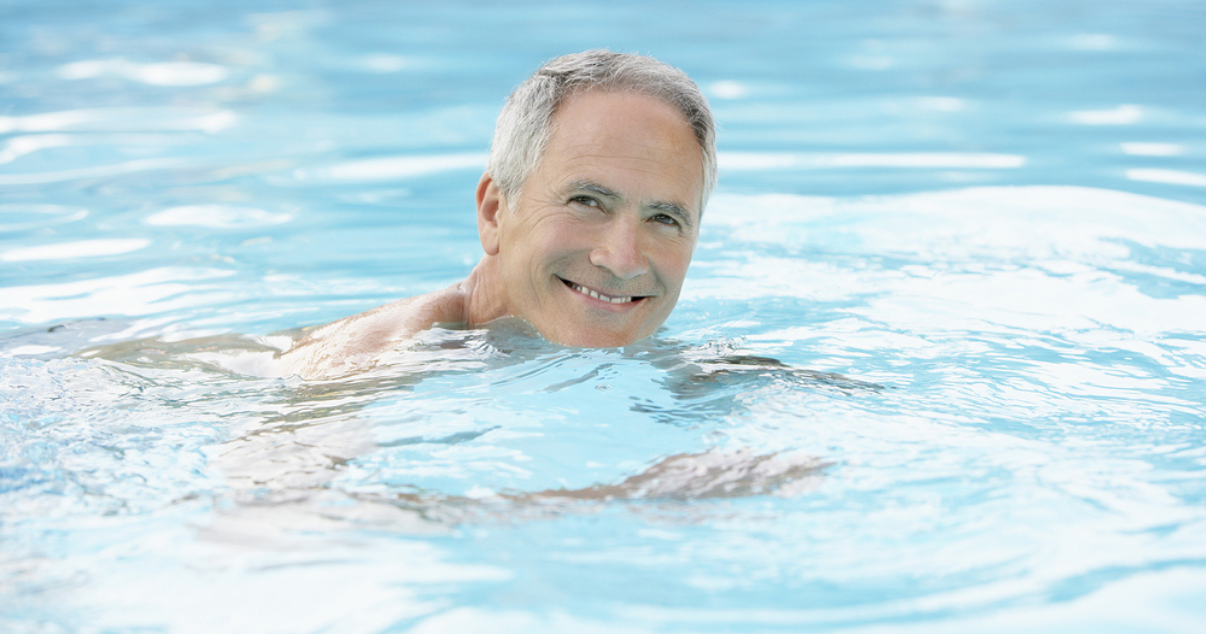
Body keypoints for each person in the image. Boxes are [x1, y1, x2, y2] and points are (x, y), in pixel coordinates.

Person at [278, 50, 718, 379]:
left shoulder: (688, 373)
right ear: (494, 212)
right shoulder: (370, 372)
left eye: (664, 219)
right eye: (586, 202)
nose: (623, 259)